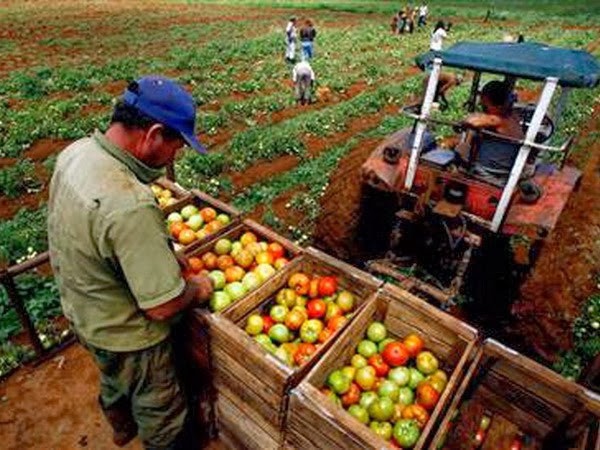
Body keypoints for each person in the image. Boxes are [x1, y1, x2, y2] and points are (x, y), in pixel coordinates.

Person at [47, 76, 214, 449]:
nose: (174, 156)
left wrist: (158, 255)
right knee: (161, 411)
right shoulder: (129, 202)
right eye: (176, 145)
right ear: (153, 134)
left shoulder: (77, 153)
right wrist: (198, 288)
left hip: (84, 309)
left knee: (111, 376)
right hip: (129, 336)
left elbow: (96, 237)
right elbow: (162, 306)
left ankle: (121, 426)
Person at [461, 80, 525, 186]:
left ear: (486, 100)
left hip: (488, 173)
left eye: (483, 103)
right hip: (503, 171)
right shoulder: (513, 116)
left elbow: (470, 121)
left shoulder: (497, 120)